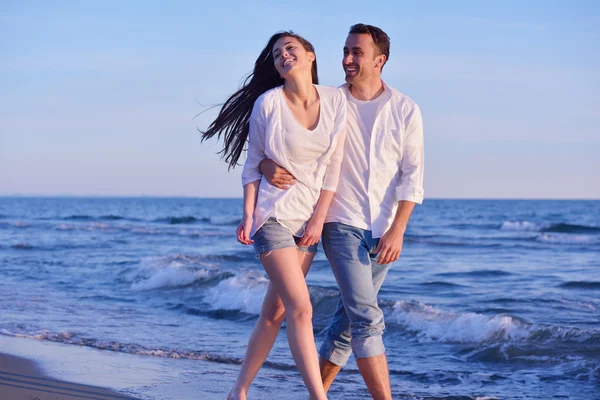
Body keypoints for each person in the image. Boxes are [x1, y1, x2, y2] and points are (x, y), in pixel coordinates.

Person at [259, 23, 424, 399]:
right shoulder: (329, 100)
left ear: (380, 60)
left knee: (349, 322)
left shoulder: (405, 110)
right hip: (340, 221)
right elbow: (285, 139)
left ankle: (318, 392)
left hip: (384, 229)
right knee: (366, 315)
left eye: (357, 53)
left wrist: (399, 229)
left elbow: (413, 176)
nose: (347, 59)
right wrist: (267, 165)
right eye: (346, 51)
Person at [200, 31, 346, 400]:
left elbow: (334, 169)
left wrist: (318, 219)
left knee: (274, 312)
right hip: (274, 218)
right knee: (301, 307)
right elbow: (252, 165)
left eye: (290, 48)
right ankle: (319, 395)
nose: (283, 55)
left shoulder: (334, 101)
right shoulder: (269, 103)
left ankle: (239, 390)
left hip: (307, 222)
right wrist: (248, 215)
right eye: (277, 53)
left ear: (310, 56)